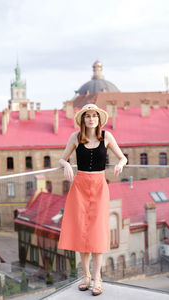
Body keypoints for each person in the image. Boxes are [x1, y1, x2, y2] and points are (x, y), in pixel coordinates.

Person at [58, 103, 127, 296]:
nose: (91, 119)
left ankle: (98, 278)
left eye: (94, 116)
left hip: (99, 186)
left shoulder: (107, 137)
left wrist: (120, 164)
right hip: (79, 186)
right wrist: (66, 165)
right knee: (82, 231)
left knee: (96, 232)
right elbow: (62, 158)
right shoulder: (75, 137)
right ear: (82, 119)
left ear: (99, 119)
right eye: (87, 116)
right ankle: (86, 275)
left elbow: (123, 157)